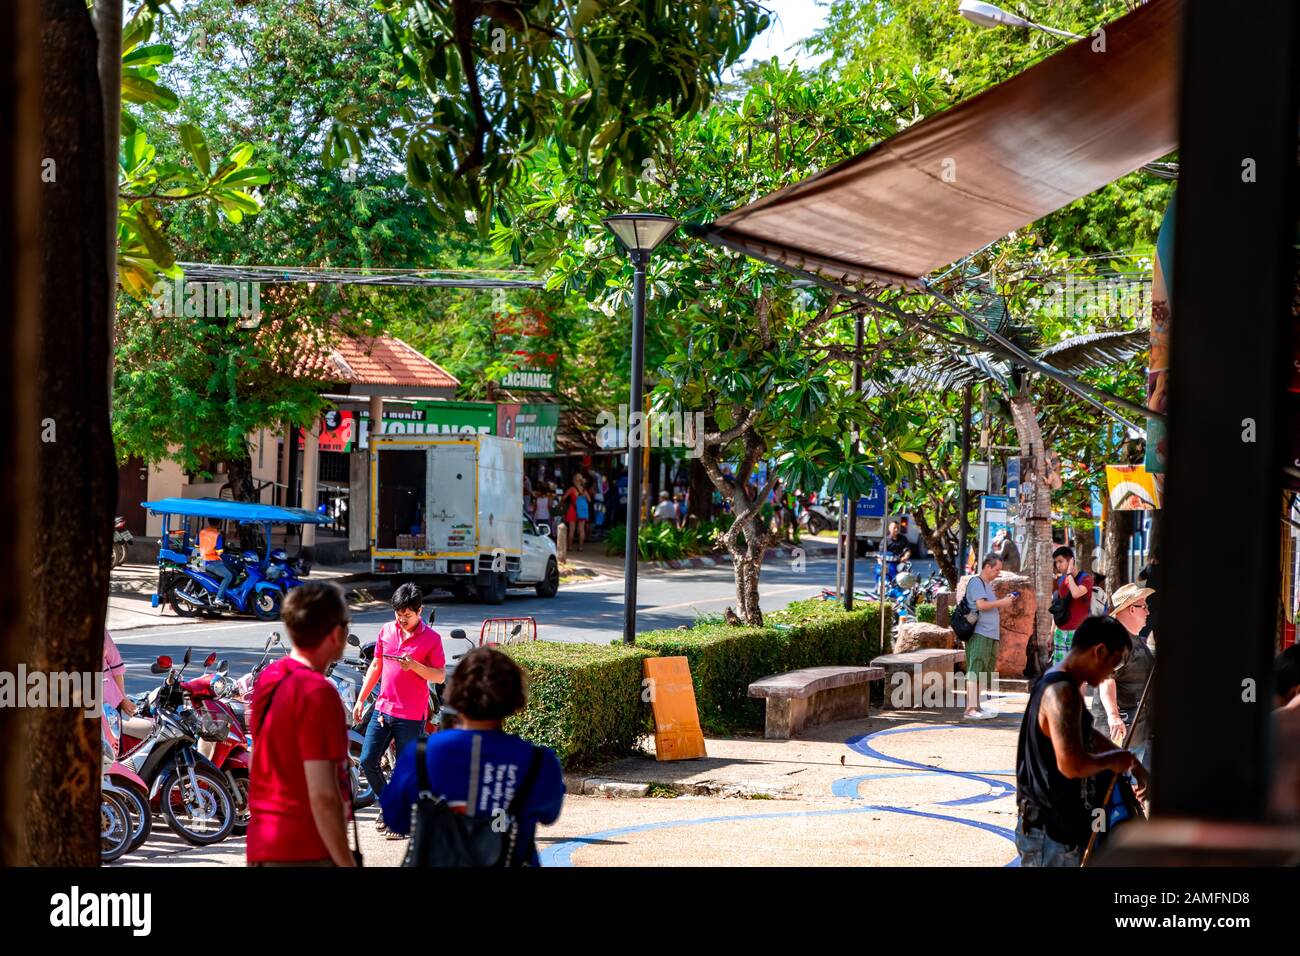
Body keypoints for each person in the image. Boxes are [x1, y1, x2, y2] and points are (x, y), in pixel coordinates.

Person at [381, 647, 566, 864]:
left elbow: (396, 820)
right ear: (515, 697)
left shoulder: (420, 754)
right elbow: (549, 814)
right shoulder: (538, 761)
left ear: (454, 692)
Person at [1015, 615, 1148, 867]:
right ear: (1099, 651)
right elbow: (1071, 764)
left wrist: (1131, 762)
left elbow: (1088, 735)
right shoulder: (1061, 692)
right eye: (1114, 664)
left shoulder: (1064, 686)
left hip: (1060, 831)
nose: (1111, 673)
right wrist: (1116, 759)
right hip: (1050, 835)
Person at [247, 583, 355, 866]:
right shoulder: (318, 692)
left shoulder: (270, 678)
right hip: (305, 850)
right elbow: (323, 795)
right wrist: (346, 862)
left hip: (263, 844)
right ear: (336, 633)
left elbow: (259, 759)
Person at [353, 582, 445, 836]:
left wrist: (414, 666)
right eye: (398, 614)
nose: (402, 619)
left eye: (407, 615)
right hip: (383, 709)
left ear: (419, 611)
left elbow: (438, 676)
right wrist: (361, 699)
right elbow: (376, 665)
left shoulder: (431, 639)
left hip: (411, 715)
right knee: (368, 760)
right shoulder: (386, 630)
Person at [1089, 582, 1156, 771]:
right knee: (1117, 792)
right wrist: (1113, 716)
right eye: (1144, 606)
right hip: (1121, 734)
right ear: (1130, 609)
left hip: (1138, 731)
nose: (1148, 612)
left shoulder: (1133, 640)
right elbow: (1106, 679)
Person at [963, 554, 1019, 718]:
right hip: (980, 632)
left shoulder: (987, 585)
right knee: (976, 668)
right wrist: (1003, 602)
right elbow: (981, 605)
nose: (997, 573)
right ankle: (970, 708)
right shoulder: (976, 582)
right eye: (996, 569)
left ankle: (977, 706)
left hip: (990, 634)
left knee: (984, 671)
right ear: (987, 567)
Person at [1051, 546, 1094, 667]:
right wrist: (1051, 632)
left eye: (1060, 561)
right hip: (1060, 632)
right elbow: (1059, 608)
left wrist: (1069, 574)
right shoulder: (1061, 581)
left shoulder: (1086, 579)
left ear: (1071, 561)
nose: (1057, 565)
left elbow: (1076, 593)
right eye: (1056, 562)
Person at [199, 517, 234, 608]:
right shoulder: (217, 535)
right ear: (219, 523)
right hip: (212, 562)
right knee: (228, 575)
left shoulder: (202, 532)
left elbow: (196, 546)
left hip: (201, 560)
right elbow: (219, 552)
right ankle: (219, 598)